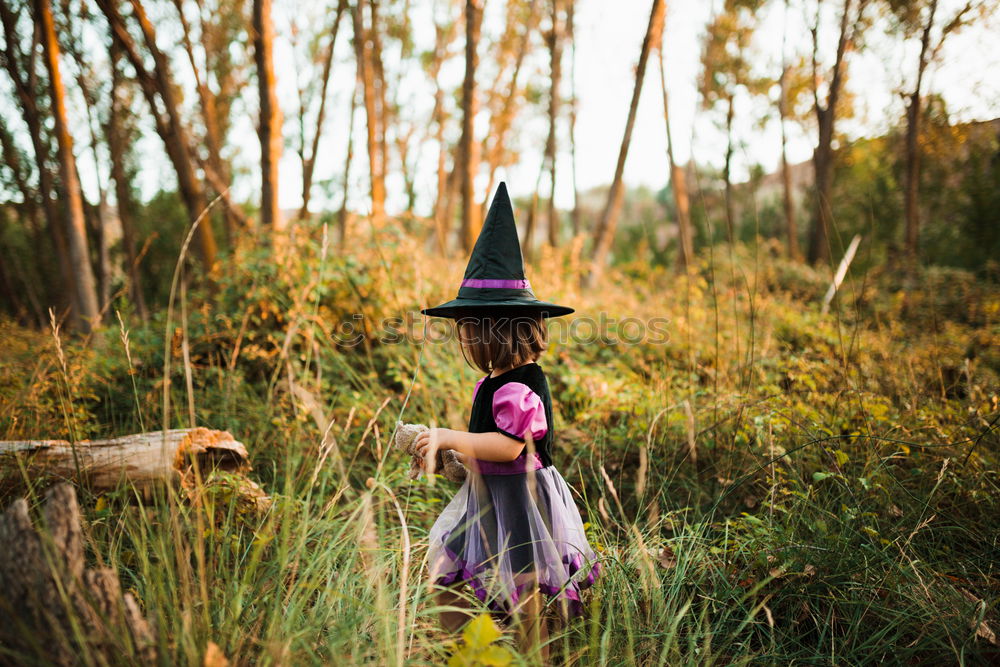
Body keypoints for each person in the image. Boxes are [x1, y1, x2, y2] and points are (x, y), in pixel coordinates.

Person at [414, 183, 601, 660]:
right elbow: (482, 447)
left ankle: (529, 656)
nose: (464, 341)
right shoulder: (493, 382)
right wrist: (450, 455)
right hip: (486, 498)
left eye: (468, 331)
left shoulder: (520, 386)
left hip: (522, 500)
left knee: (526, 589)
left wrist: (447, 435)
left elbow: (508, 447)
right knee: (446, 575)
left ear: (492, 332)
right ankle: (482, 652)